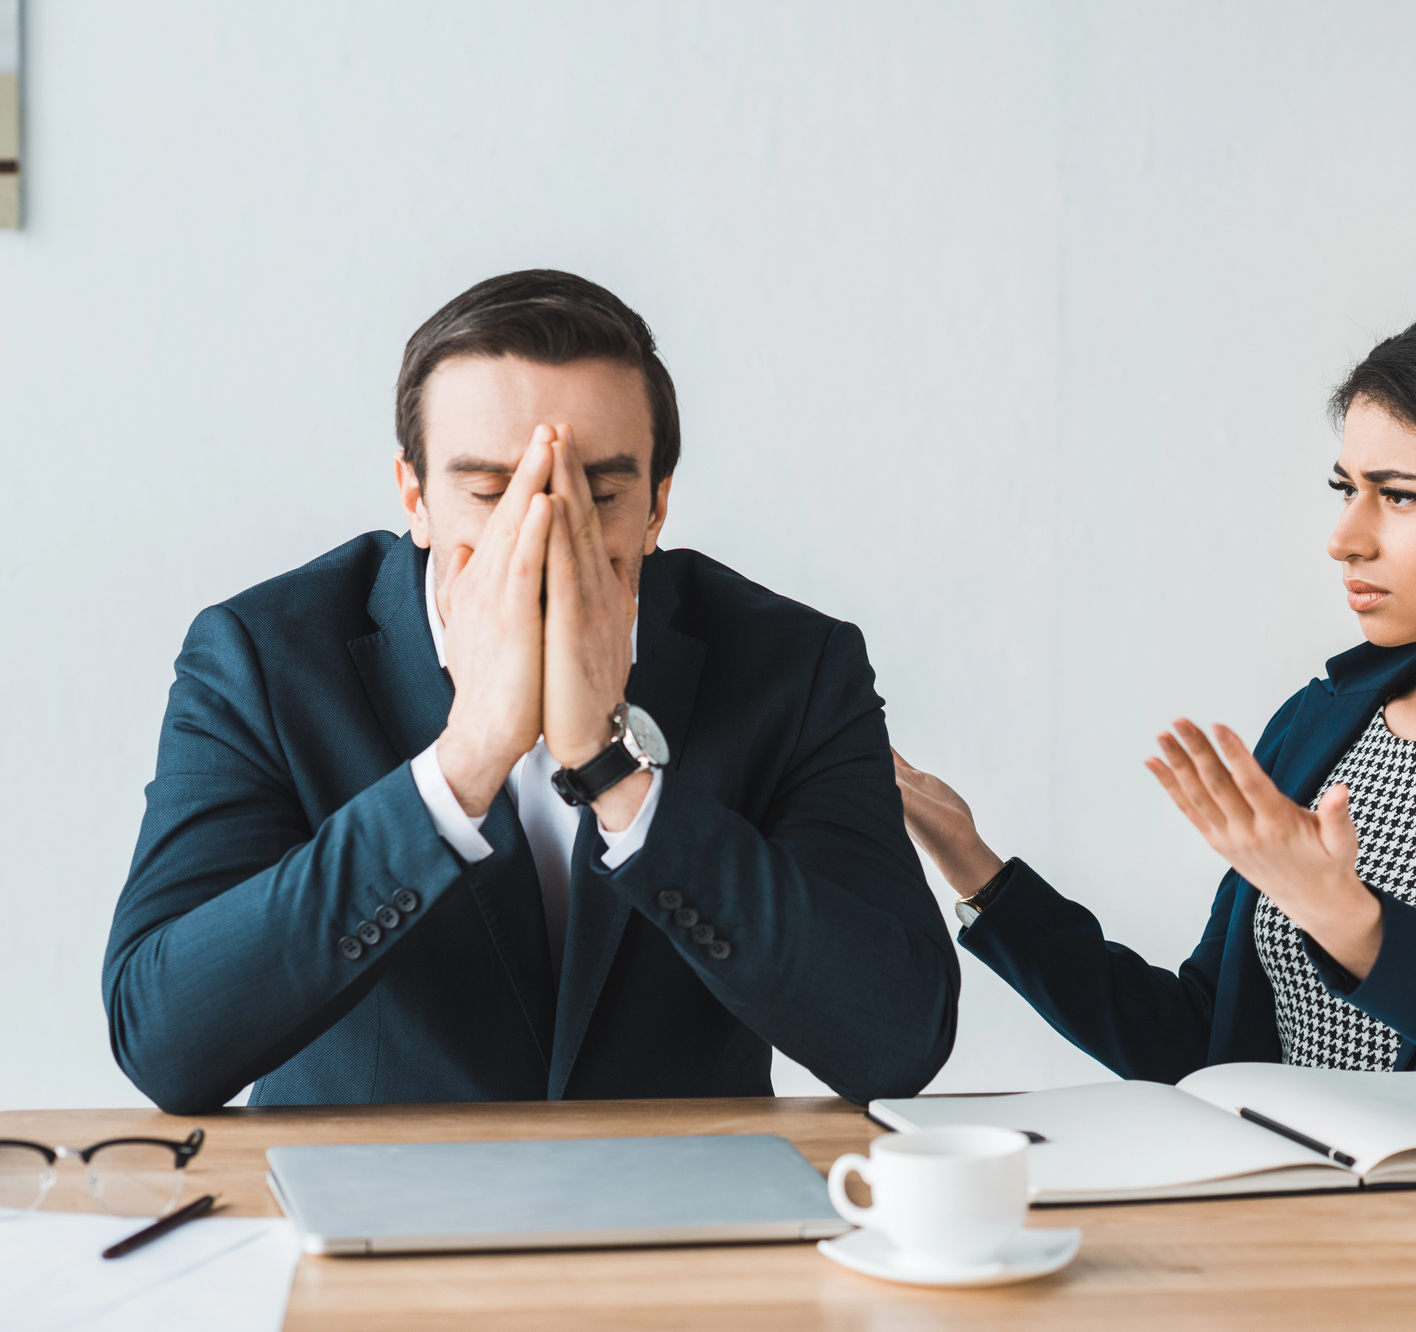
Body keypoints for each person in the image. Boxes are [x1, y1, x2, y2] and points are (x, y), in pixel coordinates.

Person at [106, 270, 958, 1114]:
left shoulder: (794, 665)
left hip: (682, 1219)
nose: (545, 527)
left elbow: (895, 1038)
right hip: (368, 1213)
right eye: (489, 491)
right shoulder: (261, 656)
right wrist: (464, 759)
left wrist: (615, 775)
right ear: (416, 497)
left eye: (602, 492)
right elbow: (166, 1040)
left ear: (659, 505)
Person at [894, 297, 1416, 1099]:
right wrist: (979, 869)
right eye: (1348, 489)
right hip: (1285, 1217)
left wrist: (1344, 915)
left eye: (1400, 496)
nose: (1345, 538)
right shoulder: (1324, 720)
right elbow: (1201, 1043)